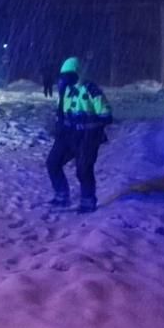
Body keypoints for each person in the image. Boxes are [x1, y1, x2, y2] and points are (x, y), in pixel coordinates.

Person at [45, 56, 112, 213]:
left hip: (87, 137)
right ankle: (62, 195)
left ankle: (88, 201)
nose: (65, 79)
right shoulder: (66, 91)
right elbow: (61, 112)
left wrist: (90, 124)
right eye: (64, 75)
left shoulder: (91, 89)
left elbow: (106, 114)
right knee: (53, 163)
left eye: (69, 75)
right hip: (67, 135)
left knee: (83, 169)